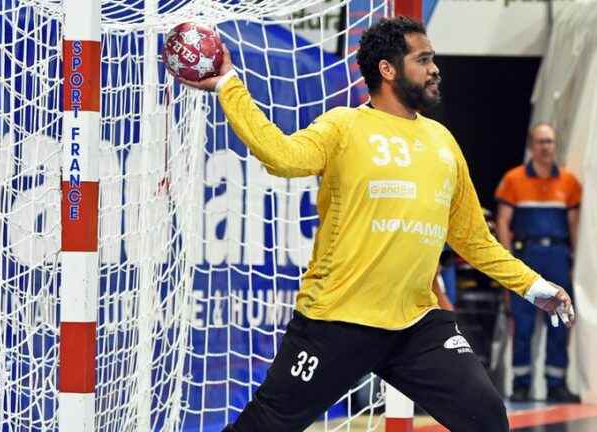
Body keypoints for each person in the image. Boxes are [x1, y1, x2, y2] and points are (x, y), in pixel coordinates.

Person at [177, 16, 575, 432]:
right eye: (423, 59)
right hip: (338, 320)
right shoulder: (343, 126)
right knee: (266, 424)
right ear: (387, 69)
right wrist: (228, 85)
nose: (435, 68)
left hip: (415, 324)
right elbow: (283, 156)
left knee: (488, 419)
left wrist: (533, 287)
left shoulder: (443, 142)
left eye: (433, 59)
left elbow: (475, 239)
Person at [495, 123, 582, 404]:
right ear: (532, 145)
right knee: (522, 323)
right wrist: (507, 261)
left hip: (557, 255)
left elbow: (574, 225)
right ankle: (520, 383)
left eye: (551, 142)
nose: (547, 147)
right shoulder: (513, 180)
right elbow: (503, 223)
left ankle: (556, 382)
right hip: (526, 257)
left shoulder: (569, 182)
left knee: (560, 320)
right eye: (542, 142)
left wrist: (574, 263)